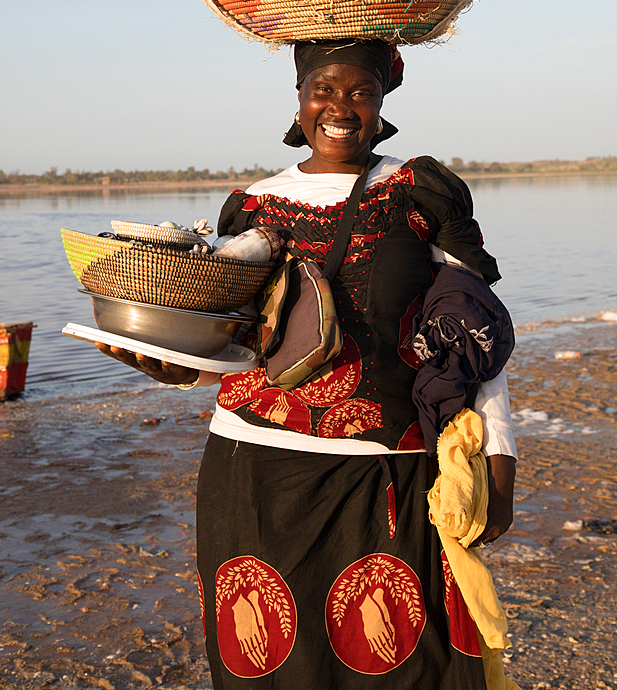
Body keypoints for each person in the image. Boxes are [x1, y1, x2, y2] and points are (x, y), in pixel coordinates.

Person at [98, 39, 516, 689]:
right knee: (269, 667)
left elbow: (475, 340)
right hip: (254, 471)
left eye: (360, 91)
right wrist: (174, 366)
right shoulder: (253, 206)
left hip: (387, 474)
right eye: (324, 88)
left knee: (410, 663)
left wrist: (500, 467)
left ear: (381, 105)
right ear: (299, 99)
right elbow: (234, 350)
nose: (340, 107)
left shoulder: (420, 192)